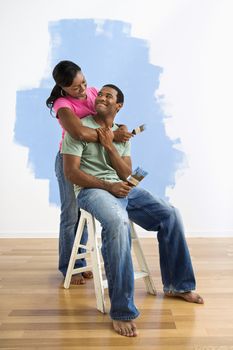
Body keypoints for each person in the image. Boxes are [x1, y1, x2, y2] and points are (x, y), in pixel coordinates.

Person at [62, 84, 204, 337]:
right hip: (92, 190)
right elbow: (71, 173)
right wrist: (108, 185)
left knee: (170, 214)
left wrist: (109, 146)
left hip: (122, 187)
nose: (103, 97)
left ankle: (179, 285)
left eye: (110, 96)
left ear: (119, 106)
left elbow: (126, 174)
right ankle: (121, 310)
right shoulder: (79, 129)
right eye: (101, 94)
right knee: (118, 223)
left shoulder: (121, 133)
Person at [46, 61, 132, 284]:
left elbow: (106, 119)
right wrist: (112, 136)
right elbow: (79, 132)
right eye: (76, 88)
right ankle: (69, 266)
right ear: (63, 88)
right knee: (71, 214)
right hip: (70, 158)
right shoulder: (62, 104)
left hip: (93, 161)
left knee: (86, 213)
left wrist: (120, 127)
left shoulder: (94, 92)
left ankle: (81, 262)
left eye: (83, 82)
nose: (84, 90)